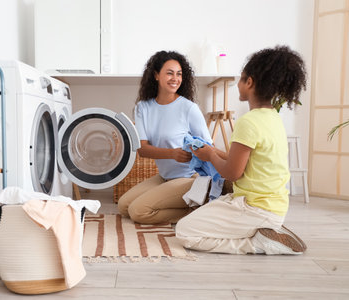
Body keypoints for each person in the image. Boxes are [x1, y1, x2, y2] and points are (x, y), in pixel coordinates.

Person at [175, 45, 308, 255]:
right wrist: (214, 151)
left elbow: (232, 173)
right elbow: (244, 161)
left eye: (241, 79)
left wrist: (209, 155)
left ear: (250, 82)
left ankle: (256, 243)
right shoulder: (273, 118)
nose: (237, 84)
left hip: (254, 208)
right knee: (200, 217)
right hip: (272, 207)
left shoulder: (248, 122)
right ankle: (264, 233)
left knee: (184, 231)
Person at [117, 50, 213, 224]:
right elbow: (143, 150)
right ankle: (191, 206)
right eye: (169, 73)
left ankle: (198, 211)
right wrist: (172, 154)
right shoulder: (143, 108)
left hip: (190, 177)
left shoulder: (189, 108)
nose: (175, 78)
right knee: (124, 206)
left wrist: (194, 153)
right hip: (164, 176)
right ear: (156, 75)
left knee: (138, 212)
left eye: (179, 74)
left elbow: (209, 148)